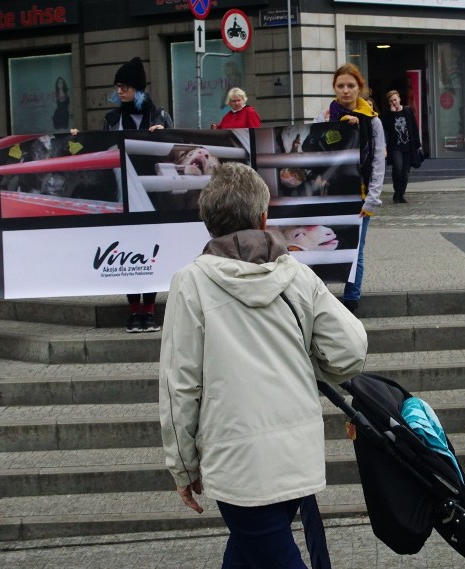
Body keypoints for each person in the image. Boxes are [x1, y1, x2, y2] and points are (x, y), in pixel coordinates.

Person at [159, 162, 368, 568]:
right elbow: (350, 349)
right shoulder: (297, 275)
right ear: (263, 217)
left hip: (235, 457)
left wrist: (183, 466)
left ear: (207, 223)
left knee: (264, 552)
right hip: (295, 449)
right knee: (249, 552)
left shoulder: (191, 282)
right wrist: (308, 360)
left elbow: (179, 384)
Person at [102, 56, 173, 333]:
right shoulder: (111, 119)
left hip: (153, 197)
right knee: (129, 252)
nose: (120, 91)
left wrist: (163, 133)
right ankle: (134, 311)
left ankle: (150, 310)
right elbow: (102, 150)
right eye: (118, 86)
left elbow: (175, 143)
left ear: (138, 88)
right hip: (123, 197)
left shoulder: (159, 115)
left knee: (151, 252)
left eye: (125, 86)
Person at [314, 64, 386, 314]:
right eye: (340, 86)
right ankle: (319, 296)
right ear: (334, 88)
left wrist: (372, 199)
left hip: (360, 195)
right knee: (320, 244)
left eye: (351, 86)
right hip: (329, 195)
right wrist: (334, 128)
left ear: (360, 88)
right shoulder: (324, 117)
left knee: (355, 247)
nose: (345, 91)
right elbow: (316, 153)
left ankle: (352, 298)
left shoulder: (373, 121)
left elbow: (377, 161)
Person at [382, 89, 422, 204]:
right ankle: (396, 192)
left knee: (405, 173)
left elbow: (414, 128)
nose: (394, 102)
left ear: (399, 98)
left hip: (408, 147)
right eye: (391, 101)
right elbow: (387, 128)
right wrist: (392, 113)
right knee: (398, 169)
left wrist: (417, 145)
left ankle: (401, 194)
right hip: (395, 147)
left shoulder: (408, 111)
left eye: (395, 99)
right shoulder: (388, 114)